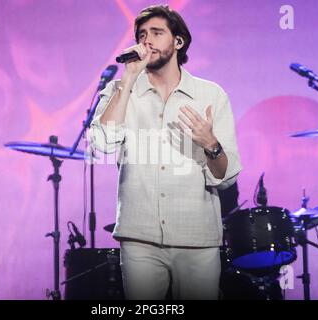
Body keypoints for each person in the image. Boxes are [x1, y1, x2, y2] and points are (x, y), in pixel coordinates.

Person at [88, 4, 241, 300]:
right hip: (139, 237)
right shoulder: (119, 91)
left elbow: (226, 178)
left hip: (196, 238)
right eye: (142, 35)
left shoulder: (211, 95)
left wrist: (210, 143)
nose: (147, 41)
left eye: (157, 33)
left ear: (178, 41)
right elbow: (102, 144)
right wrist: (129, 80)